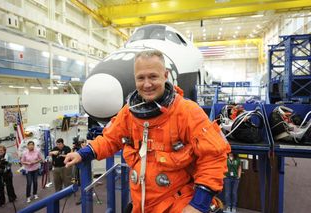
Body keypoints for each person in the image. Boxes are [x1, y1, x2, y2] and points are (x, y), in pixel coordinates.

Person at [64, 50, 230, 213]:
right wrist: (84, 153)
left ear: (165, 75)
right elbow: (110, 139)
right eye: (141, 78)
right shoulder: (129, 112)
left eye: (153, 76)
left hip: (177, 203)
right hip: (141, 203)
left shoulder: (187, 112)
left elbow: (214, 156)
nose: (147, 84)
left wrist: (198, 205)